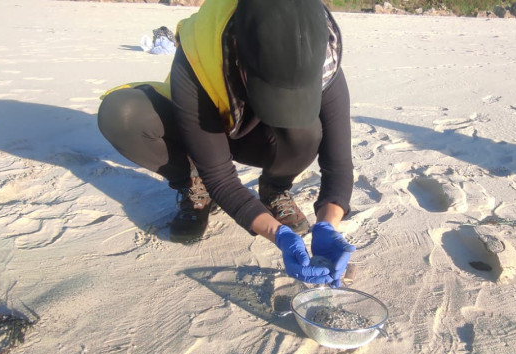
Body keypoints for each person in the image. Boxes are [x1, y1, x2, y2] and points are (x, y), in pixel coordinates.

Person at [96, 0, 355, 286]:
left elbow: (339, 163)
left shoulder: (322, 55)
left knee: (306, 129)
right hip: (199, 123)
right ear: (238, 54)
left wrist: (328, 226)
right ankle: (192, 181)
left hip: (253, 136)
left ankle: (275, 188)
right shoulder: (199, 49)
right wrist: (277, 234)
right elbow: (220, 177)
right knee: (120, 114)